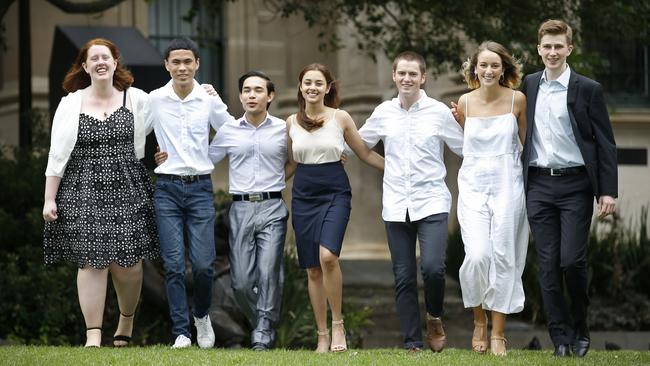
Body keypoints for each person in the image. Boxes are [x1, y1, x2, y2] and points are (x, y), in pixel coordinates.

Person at [156, 71, 289, 351]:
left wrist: (278, 181)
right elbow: (202, 159)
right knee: (240, 283)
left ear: (270, 95)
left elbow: (298, 158)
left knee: (268, 272)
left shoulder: (283, 128)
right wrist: (167, 155)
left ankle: (262, 333)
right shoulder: (229, 130)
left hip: (273, 206)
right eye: (247, 91)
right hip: (239, 208)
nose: (252, 95)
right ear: (240, 96)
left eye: (258, 90)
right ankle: (262, 322)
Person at [42, 38, 158, 348]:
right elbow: (57, 154)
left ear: (116, 61)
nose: (100, 62)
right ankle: (92, 334)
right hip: (83, 186)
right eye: (93, 59)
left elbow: (173, 111)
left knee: (129, 264)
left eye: (105, 56)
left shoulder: (137, 99)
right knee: (91, 261)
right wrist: (49, 198)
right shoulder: (70, 103)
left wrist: (206, 94)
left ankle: (126, 318)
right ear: (84, 66)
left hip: (127, 186)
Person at [521, 19, 617, 358]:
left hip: (576, 184)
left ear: (569, 49)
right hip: (538, 185)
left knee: (572, 261)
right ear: (538, 49)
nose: (552, 52)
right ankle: (560, 338)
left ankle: (581, 327)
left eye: (558, 46)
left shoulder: (587, 88)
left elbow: (605, 143)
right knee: (547, 266)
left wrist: (607, 191)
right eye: (547, 46)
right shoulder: (528, 86)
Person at [357, 51, 464, 353]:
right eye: (401, 74)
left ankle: (434, 317)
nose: (407, 79)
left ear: (423, 77)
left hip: (431, 201)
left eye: (412, 74)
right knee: (403, 276)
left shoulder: (439, 112)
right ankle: (412, 342)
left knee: (432, 268)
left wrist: (470, 123)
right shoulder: (382, 112)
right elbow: (359, 145)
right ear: (394, 76)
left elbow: (465, 148)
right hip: (395, 204)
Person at [144, 37, 235, 349]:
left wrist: (207, 156)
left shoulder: (208, 98)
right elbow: (136, 134)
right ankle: (181, 331)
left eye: (188, 62)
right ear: (167, 65)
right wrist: (151, 156)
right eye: (176, 62)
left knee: (203, 265)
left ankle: (201, 316)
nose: (182, 67)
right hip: (166, 189)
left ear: (197, 64)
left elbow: (231, 131)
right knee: (172, 265)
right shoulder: (154, 99)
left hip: (199, 189)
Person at [286, 63, 384, 353]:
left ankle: (338, 324)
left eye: (319, 83)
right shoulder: (290, 121)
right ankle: (322, 336)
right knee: (313, 269)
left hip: (335, 192)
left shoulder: (340, 117)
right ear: (301, 87)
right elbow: (290, 164)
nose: (313, 87)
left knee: (328, 257)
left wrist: (399, 171)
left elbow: (364, 152)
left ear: (328, 87)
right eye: (307, 83)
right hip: (303, 194)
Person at [451, 41, 528, 356]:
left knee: (503, 256)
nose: (488, 70)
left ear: (504, 69)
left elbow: (524, 146)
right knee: (478, 256)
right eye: (483, 65)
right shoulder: (464, 103)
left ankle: (497, 333)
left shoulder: (517, 101)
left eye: (495, 65)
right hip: (472, 185)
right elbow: (465, 144)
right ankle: (478, 319)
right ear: (474, 69)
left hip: (508, 184)